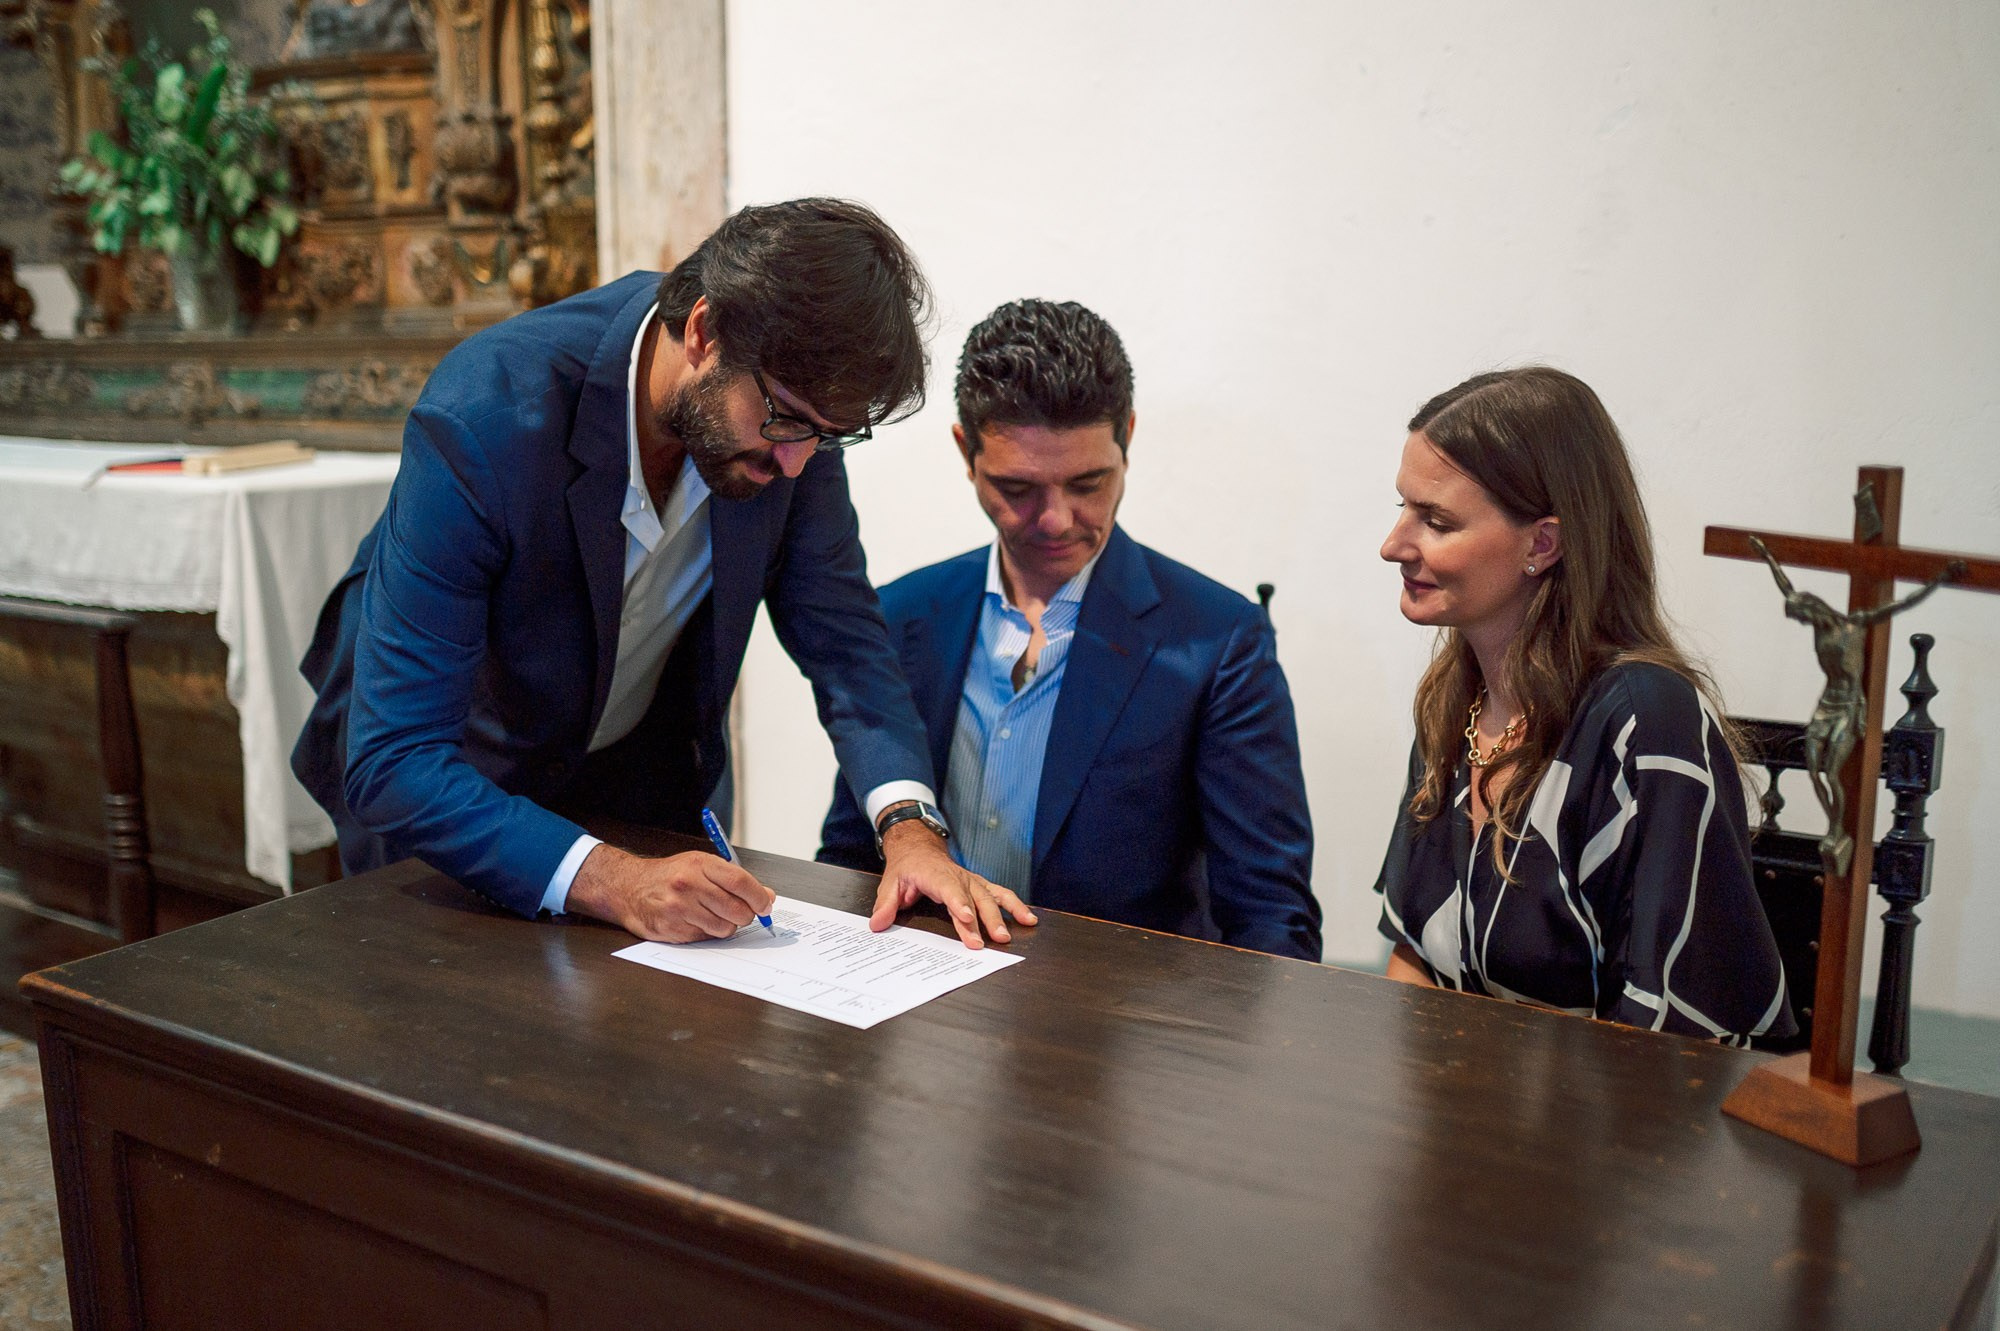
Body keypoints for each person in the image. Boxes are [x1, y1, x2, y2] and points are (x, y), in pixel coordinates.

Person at [292, 199, 1035, 950]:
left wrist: (910, 830)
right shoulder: (487, 415)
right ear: (704, 332)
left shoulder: (794, 424)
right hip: (452, 790)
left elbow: (844, 640)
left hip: (627, 782)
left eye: (830, 434)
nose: (798, 462)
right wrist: (615, 879)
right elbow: (396, 758)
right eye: (785, 419)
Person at [818, 299, 1320, 960]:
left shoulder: (1217, 640)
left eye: (1089, 483)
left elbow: (1269, 913)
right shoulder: (903, 612)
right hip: (921, 1002)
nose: (1056, 519)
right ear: (966, 451)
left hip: (1123, 1027)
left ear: (1128, 440)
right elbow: (853, 855)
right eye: (1018, 489)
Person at [1373, 366, 1793, 1043]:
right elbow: (1412, 958)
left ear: (1543, 543)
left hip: (1614, 1134)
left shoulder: (1649, 724)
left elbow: (1667, 1041)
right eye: (1401, 507)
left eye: (1437, 520)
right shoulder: (1453, 702)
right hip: (1466, 1118)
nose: (1393, 544)